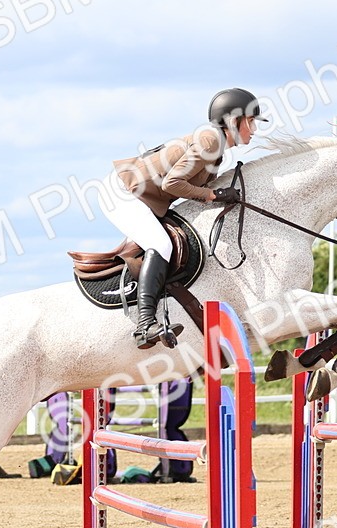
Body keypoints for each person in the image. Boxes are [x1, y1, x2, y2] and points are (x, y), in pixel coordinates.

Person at [101, 88, 266, 347]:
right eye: (251, 121)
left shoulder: (217, 146)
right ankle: (145, 325)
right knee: (162, 244)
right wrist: (213, 195)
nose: (254, 128)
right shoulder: (210, 142)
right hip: (122, 192)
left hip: (143, 195)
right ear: (235, 121)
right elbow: (172, 183)